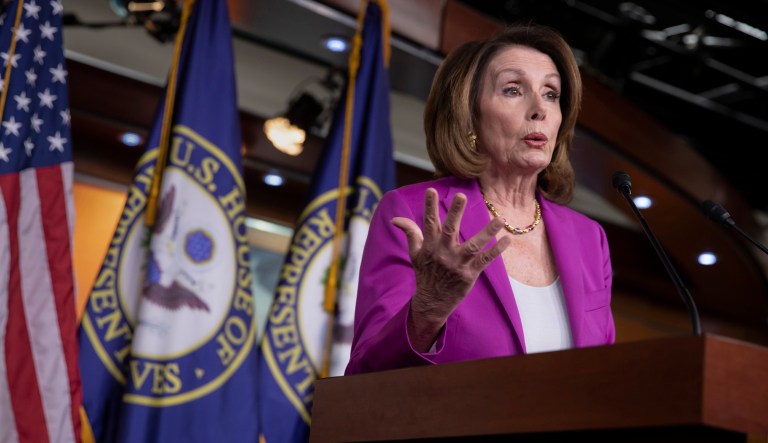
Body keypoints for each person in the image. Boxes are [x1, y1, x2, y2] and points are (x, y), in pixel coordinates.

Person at [345, 23, 615, 375]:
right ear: (469, 115)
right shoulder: (413, 212)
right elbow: (366, 376)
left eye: (551, 94)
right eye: (513, 90)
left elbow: (603, 375)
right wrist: (428, 309)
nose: (540, 109)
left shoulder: (589, 238)